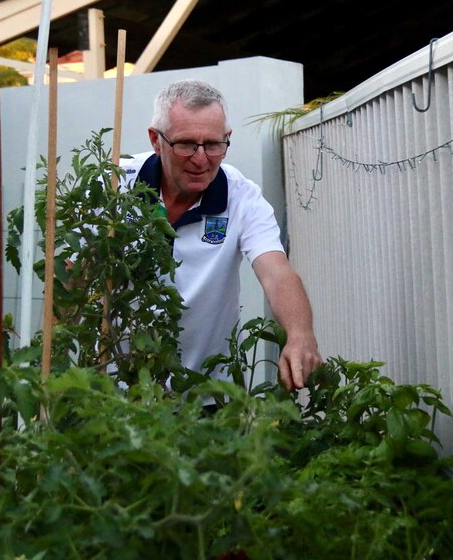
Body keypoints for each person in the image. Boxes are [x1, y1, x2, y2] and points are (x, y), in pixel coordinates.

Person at [119, 79, 321, 390]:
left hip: (208, 393)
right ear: (156, 140)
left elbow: (276, 273)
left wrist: (300, 334)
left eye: (213, 145)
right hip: (117, 388)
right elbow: (72, 276)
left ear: (227, 139)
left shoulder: (242, 198)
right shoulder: (115, 185)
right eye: (186, 144)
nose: (201, 159)